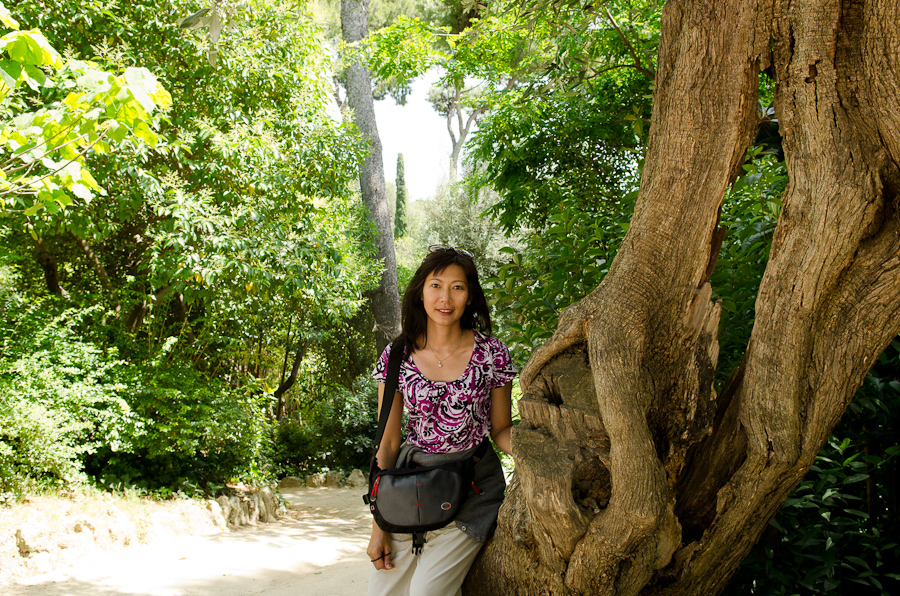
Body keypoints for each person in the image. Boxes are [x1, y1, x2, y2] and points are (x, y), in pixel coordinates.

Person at [367, 245, 517, 596]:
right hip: (409, 486)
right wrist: (379, 527)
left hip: (472, 489)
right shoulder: (397, 356)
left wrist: (538, 450)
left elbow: (502, 431)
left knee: (425, 593)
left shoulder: (492, 353)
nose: (445, 297)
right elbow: (387, 444)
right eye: (436, 285)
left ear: (470, 296)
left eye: (458, 287)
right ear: (420, 292)